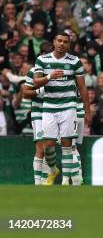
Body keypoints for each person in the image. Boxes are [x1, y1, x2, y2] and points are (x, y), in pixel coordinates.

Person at [33, 32, 91, 185]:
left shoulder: (75, 61)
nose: (62, 44)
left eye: (65, 42)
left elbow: (83, 88)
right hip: (49, 107)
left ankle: (66, 181)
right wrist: (49, 77)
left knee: (67, 144)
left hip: (68, 107)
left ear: (69, 45)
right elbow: (35, 82)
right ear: (54, 42)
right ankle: (53, 169)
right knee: (48, 145)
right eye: (59, 41)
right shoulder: (42, 60)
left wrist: (88, 111)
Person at [21, 42, 54, 185]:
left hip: (54, 112)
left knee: (49, 147)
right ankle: (38, 183)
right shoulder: (33, 71)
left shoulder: (57, 71)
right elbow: (25, 92)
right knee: (41, 147)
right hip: (39, 112)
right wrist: (39, 91)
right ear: (41, 55)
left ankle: (47, 180)